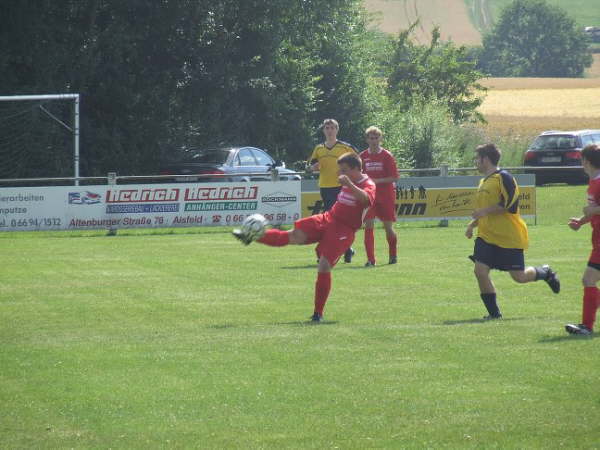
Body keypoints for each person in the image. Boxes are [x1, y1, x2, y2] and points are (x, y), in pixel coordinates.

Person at [233, 152, 376, 322]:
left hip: (344, 230)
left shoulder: (368, 184)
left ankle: (318, 313)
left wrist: (350, 184)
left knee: (324, 265)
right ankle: (251, 236)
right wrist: (348, 181)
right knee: (294, 235)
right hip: (328, 218)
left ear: (355, 169)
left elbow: (367, 201)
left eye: (343, 170)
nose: (339, 173)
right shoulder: (348, 179)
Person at [465, 143, 560, 319]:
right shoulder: (483, 182)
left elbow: (510, 205)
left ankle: (545, 272)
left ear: (485, 159)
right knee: (480, 271)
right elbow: (483, 211)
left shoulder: (504, 177)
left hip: (509, 236)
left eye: (477, 158)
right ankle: (494, 314)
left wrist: (483, 212)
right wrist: (473, 224)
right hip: (486, 237)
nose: (475, 162)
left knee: (519, 277)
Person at [308, 118, 358, 263]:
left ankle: (330, 252)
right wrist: (313, 167)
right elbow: (311, 165)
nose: (329, 130)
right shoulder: (319, 148)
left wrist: (350, 175)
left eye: (332, 128)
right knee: (334, 221)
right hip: (325, 187)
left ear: (337, 129)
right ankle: (347, 249)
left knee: (335, 221)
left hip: (342, 187)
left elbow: (358, 162)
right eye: (327, 128)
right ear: (323, 130)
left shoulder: (345, 147)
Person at [565, 143, 600, 336]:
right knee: (589, 280)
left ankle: (586, 327)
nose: (581, 164)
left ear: (586, 161)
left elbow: (596, 209)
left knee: (588, 279)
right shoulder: (594, 181)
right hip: (597, 239)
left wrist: (593, 210)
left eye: (582, 160)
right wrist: (581, 221)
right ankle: (586, 326)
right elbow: (595, 211)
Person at [359, 126, 399, 266]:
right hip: (369, 196)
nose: (374, 141)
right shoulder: (362, 156)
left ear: (380, 139)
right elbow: (358, 175)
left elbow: (394, 177)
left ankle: (393, 254)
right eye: (371, 138)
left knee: (388, 227)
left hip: (386, 196)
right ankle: (370, 260)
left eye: (376, 138)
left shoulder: (387, 156)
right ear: (367, 140)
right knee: (368, 225)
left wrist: (376, 182)